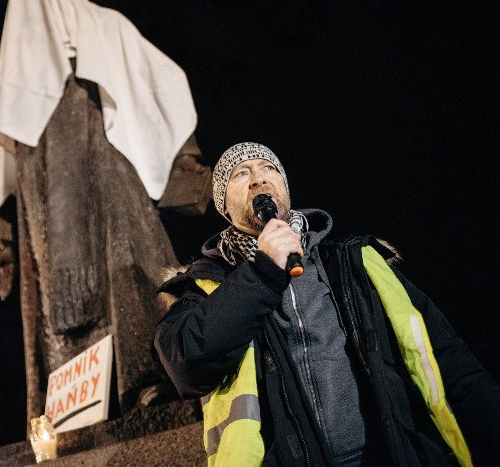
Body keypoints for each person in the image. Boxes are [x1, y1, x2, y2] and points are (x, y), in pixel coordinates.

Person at [154, 142, 500, 466]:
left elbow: (449, 357)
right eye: (240, 174)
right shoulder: (205, 286)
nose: (258, 177)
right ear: (224, 207)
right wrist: (261, 273)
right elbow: (184, 364)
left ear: (285, 190)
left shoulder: (355, 262)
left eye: (269, 168)